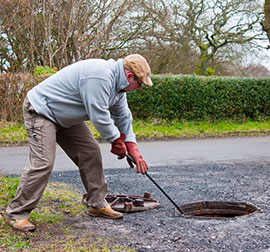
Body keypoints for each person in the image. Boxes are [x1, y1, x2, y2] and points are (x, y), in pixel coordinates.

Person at [5, 54, 153, 232]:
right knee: (43, 162)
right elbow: (99, 114)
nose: (139, 88)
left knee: (90, 152)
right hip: (41, 110)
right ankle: (16, 213)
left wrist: (132, 147)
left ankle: (97, 204)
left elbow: (123, 117)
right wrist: (116, 141)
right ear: (130, 77)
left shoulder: (119, 88)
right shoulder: (100, 75)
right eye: (140, 84)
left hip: (64, 117)